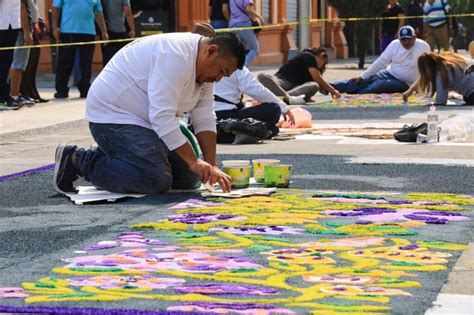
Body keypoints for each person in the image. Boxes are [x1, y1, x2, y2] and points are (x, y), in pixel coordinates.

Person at [52, 32, 246, 195]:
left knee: (191, 177)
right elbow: (162, 117)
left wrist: (211, 167)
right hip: (114, 116)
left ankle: (120, 153)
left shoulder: (206, 73)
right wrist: (195, 160)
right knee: (155, 180)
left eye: (224, 75)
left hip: (148, 122)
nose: (218, 79)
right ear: (211, 51)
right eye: (221, 70)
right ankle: (79, 159)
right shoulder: (175, 55)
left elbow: (204, 117)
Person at [330, 26, 430, 94]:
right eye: (403, 39)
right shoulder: (395, 44)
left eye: (409, 39)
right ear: (399, 39)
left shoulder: (424, 47)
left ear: (415, 37)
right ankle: (328, 87)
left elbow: (429, 69)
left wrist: (419, 87)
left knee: (380, 85)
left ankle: (357, 93)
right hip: (389, 72)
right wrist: (362, 76)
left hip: (406, 83)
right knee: (365, 80)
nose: (406, 42)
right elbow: (381, 62)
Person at [52, 0, 108, 99]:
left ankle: (85, 89)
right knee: (64, 62)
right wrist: (54, 27)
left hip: (88, 32)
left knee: (86, 63)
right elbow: (56, 8)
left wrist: (104, 31)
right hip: (67, 31)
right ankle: (61, 90)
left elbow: (98, 12)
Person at [214, 66, 295, 127]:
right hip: (226, 115)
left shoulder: (207, 64)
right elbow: (258, 91)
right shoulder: (235, 66)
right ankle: (238, 130)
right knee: (274, 109)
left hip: (209, 116)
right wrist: (283, 108)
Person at [258, 47, 340, 102]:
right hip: (281, 81)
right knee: (262, 76)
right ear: (321, 56)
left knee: (314, 85)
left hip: (295, 89)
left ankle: (284, 98)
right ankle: (287, 98)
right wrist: (333, 91)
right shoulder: (308, 56)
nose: (322, 65)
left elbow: (319, 86)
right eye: (324, 62)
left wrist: (308, 96)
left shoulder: (315, 70)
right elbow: (318, 79)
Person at [403, 51, 473, 105]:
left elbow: (441, 102)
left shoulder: (441, 76)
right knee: (467, 98)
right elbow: (424, 77)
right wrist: (410, 91)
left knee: (469, 99)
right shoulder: (446, 60)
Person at [9, 0, 34, 107]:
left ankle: (12, 94)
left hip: (10, 28)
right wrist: (27, 33)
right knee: (18, 64)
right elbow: (22, 9)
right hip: (20, 29)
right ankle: (14, 95)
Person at [0, 0, 23, 107]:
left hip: (13, 24)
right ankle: (3, 96)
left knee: (6, 63)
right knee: (2, 64)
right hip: (2, 25)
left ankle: (4, 95)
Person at [229, 0, 264, 67]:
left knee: (239, 50)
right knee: (254, 48)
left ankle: (236, 68)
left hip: (232, 25)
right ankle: (243, 68)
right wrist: (260, 17)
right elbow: (248, 9)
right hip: (243, 24)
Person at [101, 0, 136, 66]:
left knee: (107, 57)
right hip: (120, 30)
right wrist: (132, 29)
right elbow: (128, 13)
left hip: (106, 30)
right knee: (123, 57)